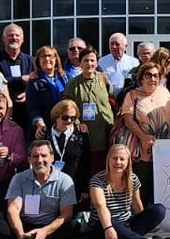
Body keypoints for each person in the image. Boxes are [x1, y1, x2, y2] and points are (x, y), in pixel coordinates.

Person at [0, 141, 77, 239]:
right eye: (35, 156)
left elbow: (66, 214)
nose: (39, 160)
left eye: (44, 156)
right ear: (29, 159)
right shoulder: (19, 178)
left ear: (52, 158)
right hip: (23, 225)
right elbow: (13, 209)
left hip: (49, 227)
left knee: (70, 225)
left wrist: (44, 232)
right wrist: (20, 234)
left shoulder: (65, 180)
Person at [90, 143, 170, 239]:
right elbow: (100, 206)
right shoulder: (97, 180)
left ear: (128, 162)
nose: (118, 162)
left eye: (122, 159)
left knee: (159, 209)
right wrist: (109, 228)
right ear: (108, 160)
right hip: (103, 226)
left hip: (125, 224)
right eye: (114, 158)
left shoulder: (133, 179)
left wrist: (143, 221)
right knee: (112, 220)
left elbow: (136, 204)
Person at [116, 61, 170, 202]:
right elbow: (128, 120)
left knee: (163, 186)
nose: (152, 79)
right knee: (143, 186)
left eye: (156, 76)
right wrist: (143, 136)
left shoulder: (165, 92)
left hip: (165, 149)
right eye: (148, 75)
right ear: (141, 78)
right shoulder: (132, 95)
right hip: (144, 150)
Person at [62, 47, 116, 176]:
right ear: (80, 63)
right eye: (86, 60)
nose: (89, 63)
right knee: (88, 167)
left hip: (106, 129)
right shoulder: (73, 83)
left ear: (97, 62)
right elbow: (66, 106)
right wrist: (77, 122)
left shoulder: (104, 79)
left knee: (106, 163)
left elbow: (112, 100)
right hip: (85, 132)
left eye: (92, 60)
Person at [24, 45, 68, 136]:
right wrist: (40, 124)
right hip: (44, 127)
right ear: (38, 61)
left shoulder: (65, 77)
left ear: (56, 59)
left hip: (65, 124)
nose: (47, 59)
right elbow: (32, 107)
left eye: (50, 56)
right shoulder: (34, 81)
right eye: (43, 56)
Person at [45, 100, 88, 184]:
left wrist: (85, 188)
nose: (69, 121)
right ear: (56, 116)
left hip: (74, 184)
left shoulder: (81, 134)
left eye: (73, 118)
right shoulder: (45, 135)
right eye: (65, 117)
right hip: (49, 183)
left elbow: (86, 162)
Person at [0, 24, 33, 107]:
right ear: (3, 39)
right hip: (2, 108)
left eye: (17, 35)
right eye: (10, 35)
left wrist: (28, 93)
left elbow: (36, 82)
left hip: (27, 109)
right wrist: (20, 79)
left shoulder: (31, 61)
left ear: (22, 39)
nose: (14, 38)